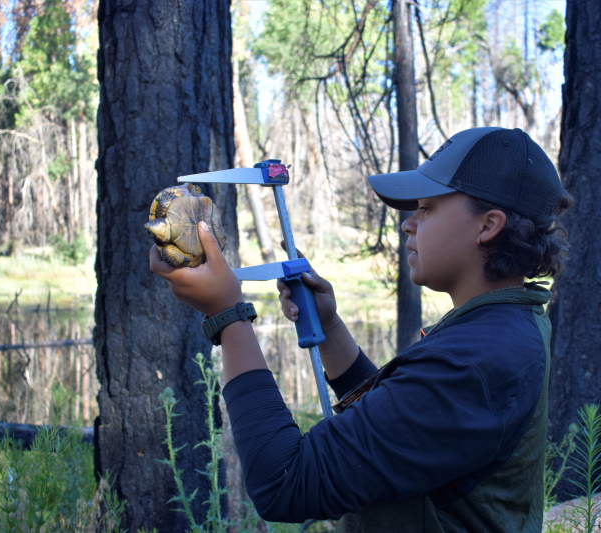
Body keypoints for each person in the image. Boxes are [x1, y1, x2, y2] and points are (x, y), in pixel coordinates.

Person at [149, 127, 572, 532]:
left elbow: (284, 482)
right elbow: (405, 425)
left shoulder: (479, 359)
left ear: (488, 225)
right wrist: (330, 329)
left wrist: (228, 317)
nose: (408, 223)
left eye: (427, 208)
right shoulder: (503, 326)